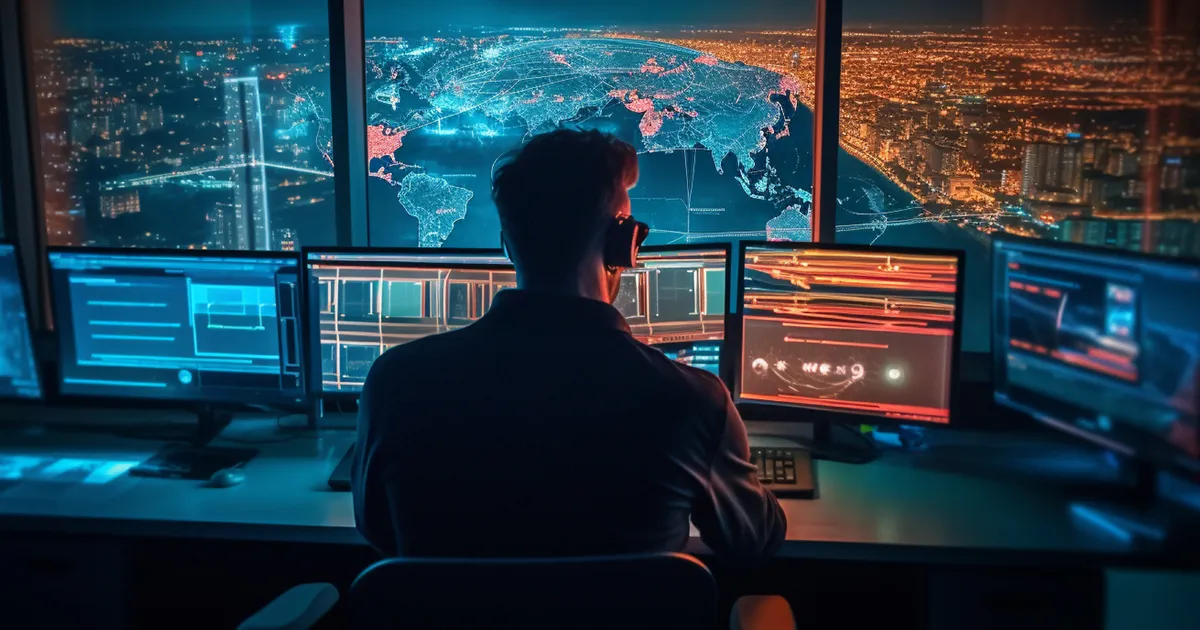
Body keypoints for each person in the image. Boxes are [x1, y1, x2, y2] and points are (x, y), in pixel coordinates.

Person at [352, 129, 786, 566]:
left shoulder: (395, 383)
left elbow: (379, 532)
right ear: (625, 243)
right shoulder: (693, 402)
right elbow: (754, 541)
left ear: (508, 246)